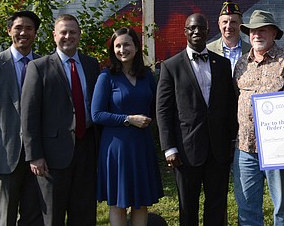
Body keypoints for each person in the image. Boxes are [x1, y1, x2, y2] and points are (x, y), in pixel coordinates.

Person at [156, 12, 238, 226]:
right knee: (187, 206)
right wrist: (169, 147)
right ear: (185, 31)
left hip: (218, 149)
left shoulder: (222, 64)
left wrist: (231, 139)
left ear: (208, 31)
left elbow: (229, 105)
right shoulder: (170, 66)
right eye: (191, 28)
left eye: (200, 28)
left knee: (217, 204)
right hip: (185, 149)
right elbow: (163, 110)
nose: (196, 32)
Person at [21, 14, 101, 226]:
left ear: (79, 35)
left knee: (84, 213)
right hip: (52, 156)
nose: (68, 36)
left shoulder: (92, 65)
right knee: (53, 215)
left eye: (72, 32)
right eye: (63, 32)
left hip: (87, 151)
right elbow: (29, 115)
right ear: (54, 36)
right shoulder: (38, 67)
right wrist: (34, 155)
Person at [91, 27, 163, 226]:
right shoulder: (106, 77)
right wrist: (128, 119)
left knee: (141, 203)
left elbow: (156, 106)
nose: (122, 49)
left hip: (142, 145)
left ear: (136, 47)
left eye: (127, 44)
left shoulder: (147, 76)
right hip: (117, 148)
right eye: (118, 46)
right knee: (119, 204)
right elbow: (96, 114)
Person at [233, 10, 284, 226]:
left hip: (278, 149)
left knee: (282, 207)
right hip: (245, 148)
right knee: (246, 207)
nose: (256, 35)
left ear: (273, 33)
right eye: (253, 31)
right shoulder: (241, 64)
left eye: (262, 30)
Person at [0, 10, 43, 226]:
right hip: (3, 154)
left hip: (37, 156)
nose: (23, 32)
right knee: (4, 217)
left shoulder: (44, 65)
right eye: (18, 28)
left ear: (35, 33)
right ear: (9, 31)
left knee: (34, 216)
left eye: (29, 28)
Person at [207, 0, 250, 73]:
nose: (229, 26)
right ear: (219, 24)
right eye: (225, 22)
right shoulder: (208, 50)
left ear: (241, 24)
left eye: (233, 22)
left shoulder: (251, 50)